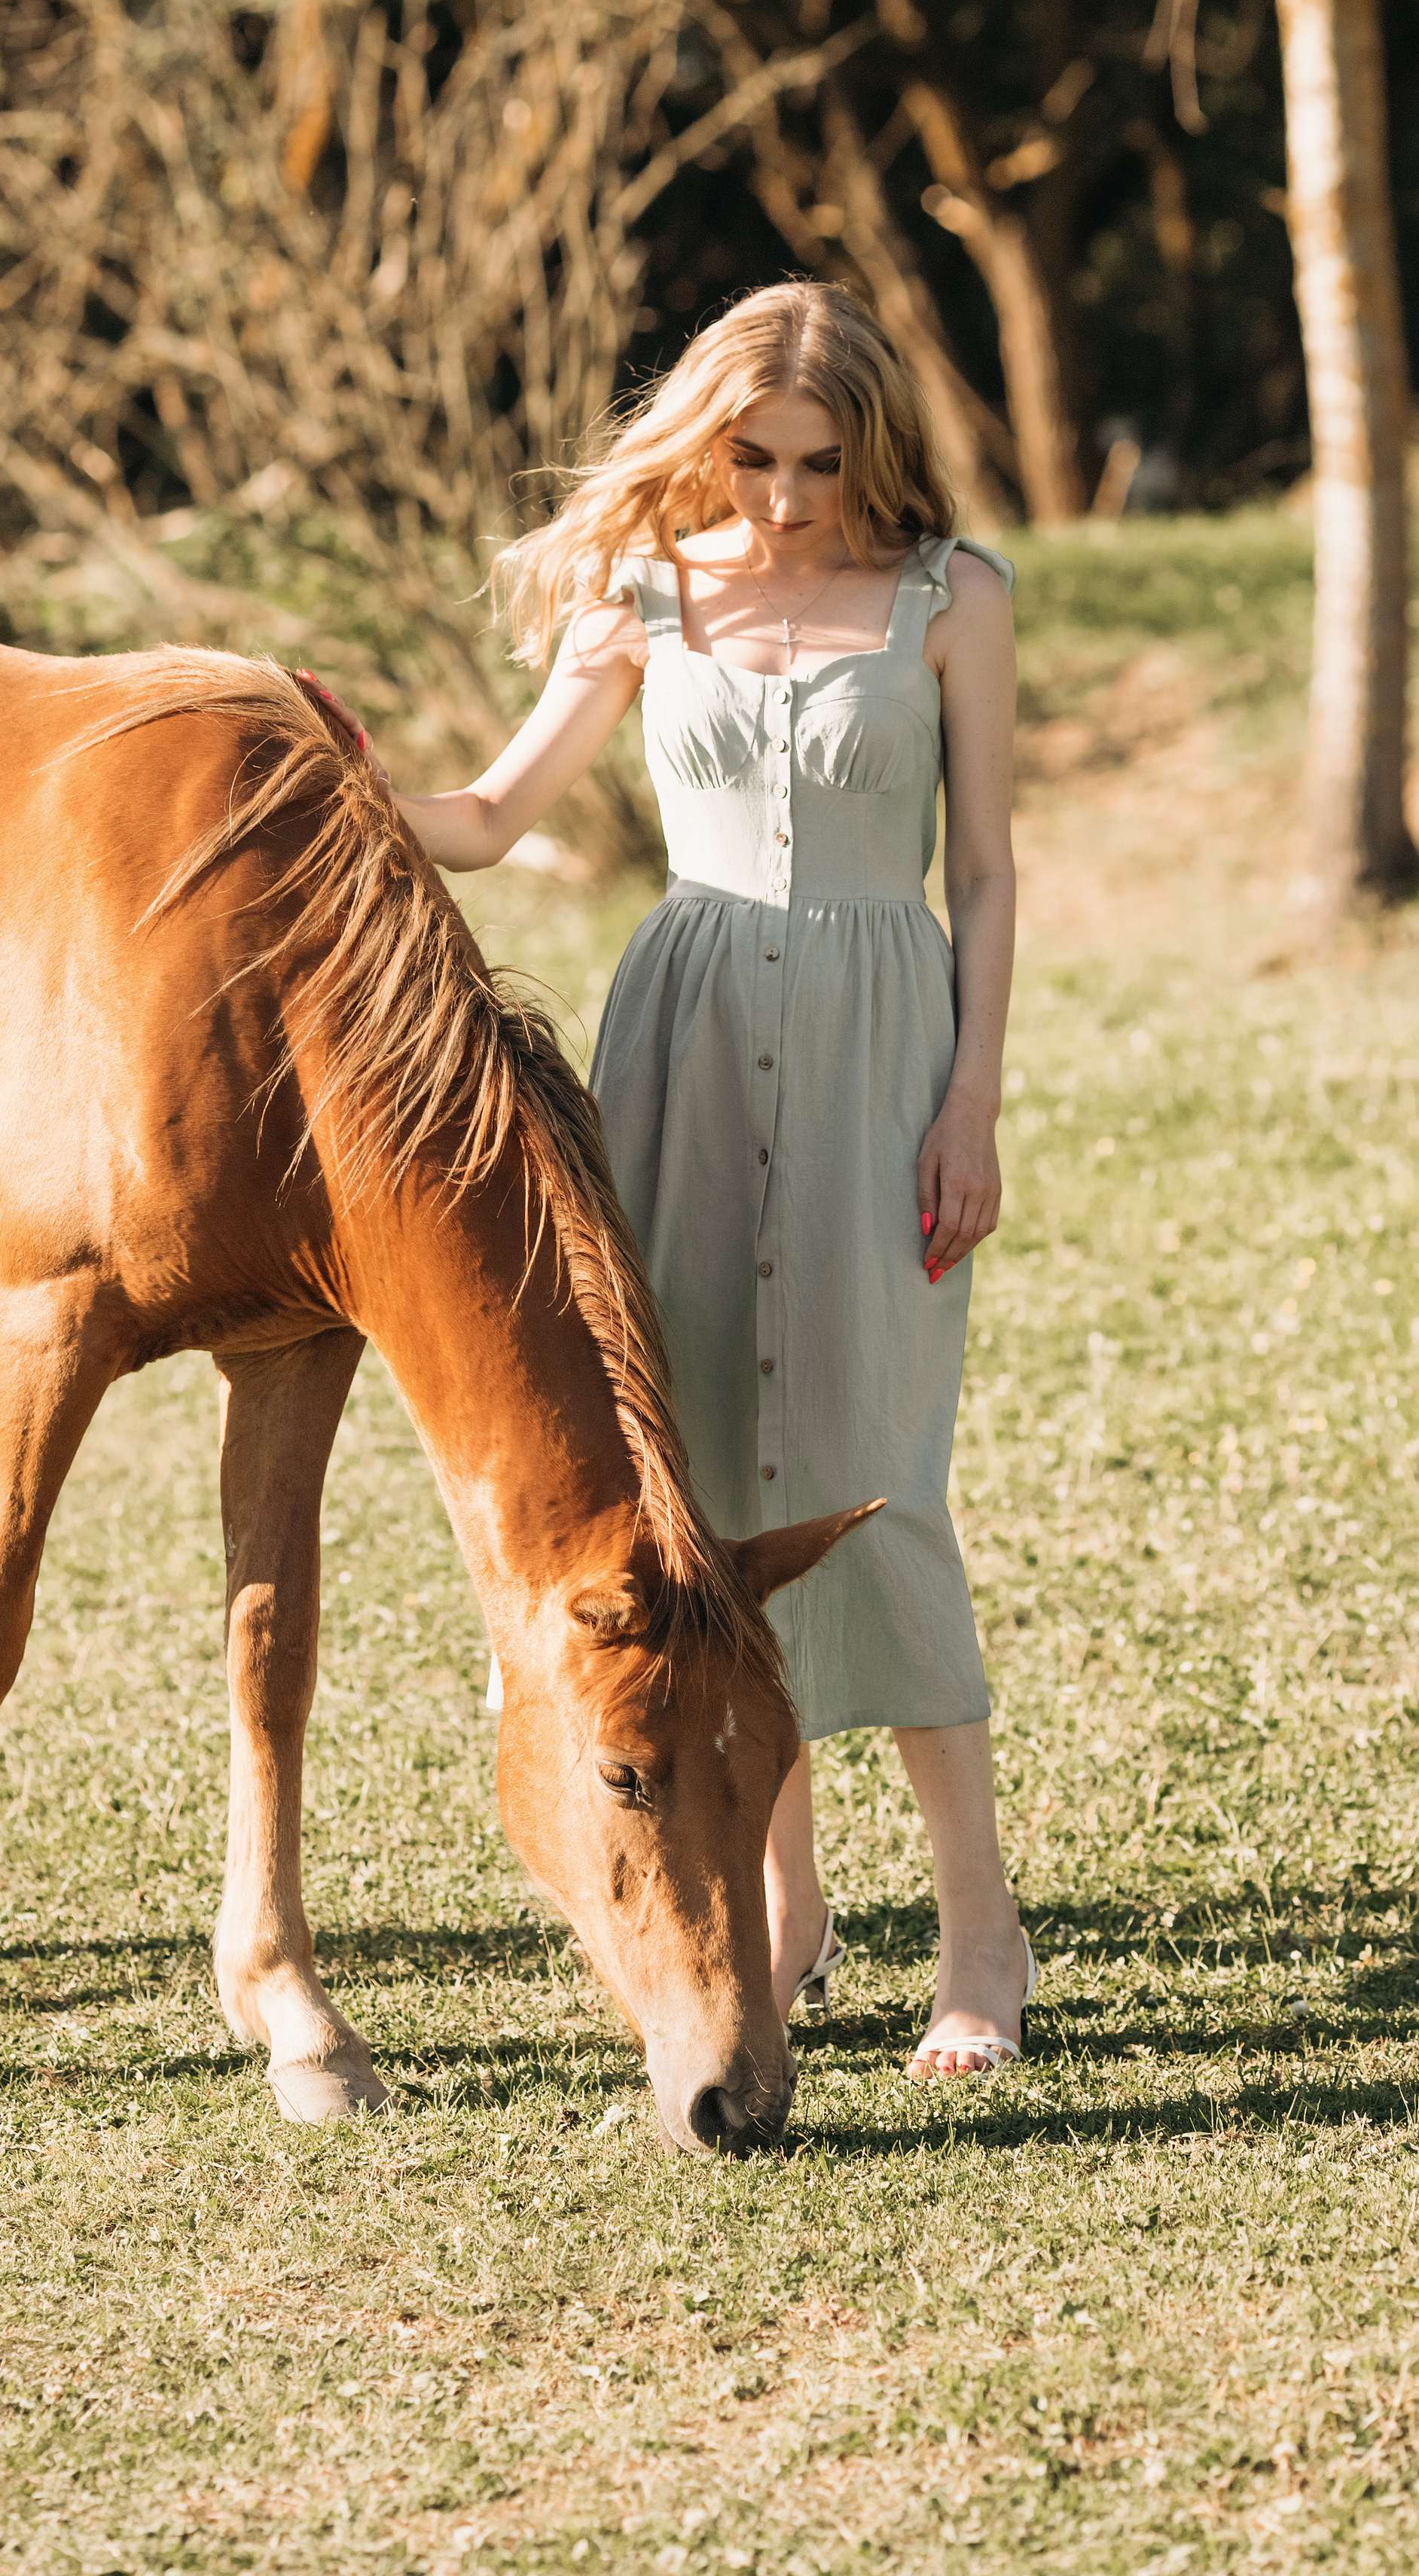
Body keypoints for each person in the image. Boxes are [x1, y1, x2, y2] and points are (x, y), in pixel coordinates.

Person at [368, 281, 1033, 2080]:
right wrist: (342, 775)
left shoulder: (948, 600)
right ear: (706, 439)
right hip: (676, 1030)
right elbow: (497, 819)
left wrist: (967, 1100)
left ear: (870, 448)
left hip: (876, 1038)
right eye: (753, 457)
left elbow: (983, 872)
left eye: (822, 462)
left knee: (873, 1480)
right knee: (712, 1499)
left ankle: (980, 1928)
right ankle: (785, 1912)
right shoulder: (642, 591)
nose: (789, 495)